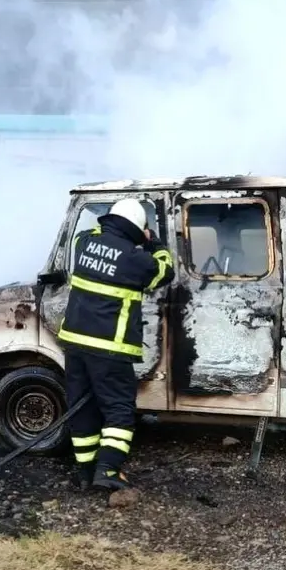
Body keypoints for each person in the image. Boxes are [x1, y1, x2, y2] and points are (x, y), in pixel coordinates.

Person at [58, 197, 175, 492]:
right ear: (137, 230)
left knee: (82, 410)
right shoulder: (135, 260)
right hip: (111, 348)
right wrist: (154, 243)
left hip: (74, 345)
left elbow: (93, 235)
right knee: (118, 409)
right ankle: (108, 470)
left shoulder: (83, 244)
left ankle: (85, 472)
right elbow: (166, 271)